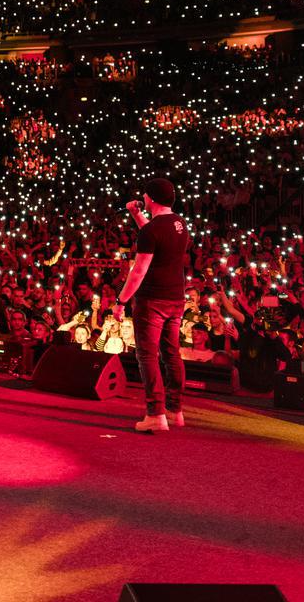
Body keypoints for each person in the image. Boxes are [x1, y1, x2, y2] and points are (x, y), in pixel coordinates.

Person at [117, 176, 190, 434]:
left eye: (145, 196)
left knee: (147, 356)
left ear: (150, 198)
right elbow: (155, 235)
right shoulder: (180, 223)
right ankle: (174, 411)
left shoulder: (152, 230)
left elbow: (138, 271)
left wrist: (121, 301)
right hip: (176, 298)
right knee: (171, 354)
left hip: (152, 300)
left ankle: (155, 413)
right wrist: (137, 215)